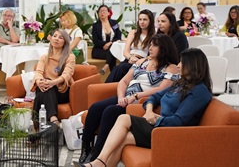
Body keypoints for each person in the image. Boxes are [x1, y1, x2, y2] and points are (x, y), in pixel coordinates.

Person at [74, 48, 212, 167]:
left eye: (182, 62)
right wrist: (150, 111)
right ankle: (101, 163)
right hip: (161, 126)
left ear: (193, 65)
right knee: (123, 138)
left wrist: (155, 120)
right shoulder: (181, 83)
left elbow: (179, 121)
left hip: (171, 133)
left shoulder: (199, 91)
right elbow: (155, 97)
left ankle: (99, 161)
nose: (179, 65)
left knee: (123, 118)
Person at [78, 34, 179, 164]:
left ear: (164, 48)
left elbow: (161, 90)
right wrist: (121, 97)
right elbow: (124, 81)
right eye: (150, 45)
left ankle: (97, 154)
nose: (150, 48)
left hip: (140, 102)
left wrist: (136, 96)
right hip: (126, 97)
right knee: (95, 108)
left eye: (155, 45)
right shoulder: (142, 62)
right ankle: (86, 148)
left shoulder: (171, 67)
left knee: (110, 111)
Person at [31, 29, 75, 127]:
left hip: (61, 91)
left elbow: (66, 75)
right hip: (46, 88)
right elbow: (38, 72)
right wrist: (38, 81)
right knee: (44, 88)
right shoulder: (44, 57)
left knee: (44, 91)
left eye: (60, 37)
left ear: (65, 42)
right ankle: (54, 120)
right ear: (51, 39)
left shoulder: (70, 57)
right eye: (55, 36)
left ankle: (35, 128)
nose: (56, 39)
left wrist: (53, 82)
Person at [105, 9, 155, 83]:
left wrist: (140, 60)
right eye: (140, 19)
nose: (142, 22)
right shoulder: (133, 33)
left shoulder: (154, 35)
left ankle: (104, 89)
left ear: (150, 21)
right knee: (118, 68)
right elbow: (125, 51)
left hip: (143, 61)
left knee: (121, 68)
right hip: (130, 58)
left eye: (145, 19)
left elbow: (153, 54)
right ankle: (105, 89)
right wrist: (130, 57)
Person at [92, 5, 121, 75]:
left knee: (111, 52)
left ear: (108, 13)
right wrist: (104, 44)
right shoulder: (95, 25)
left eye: (104, 11)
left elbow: (118, 37)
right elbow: (95, 40)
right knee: (112, 54)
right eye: (100, 11)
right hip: (99, 50)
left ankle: (107, 66)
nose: (102, 13)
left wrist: (110, 43)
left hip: (112, 48)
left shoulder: (114, 23)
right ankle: (114, 78)